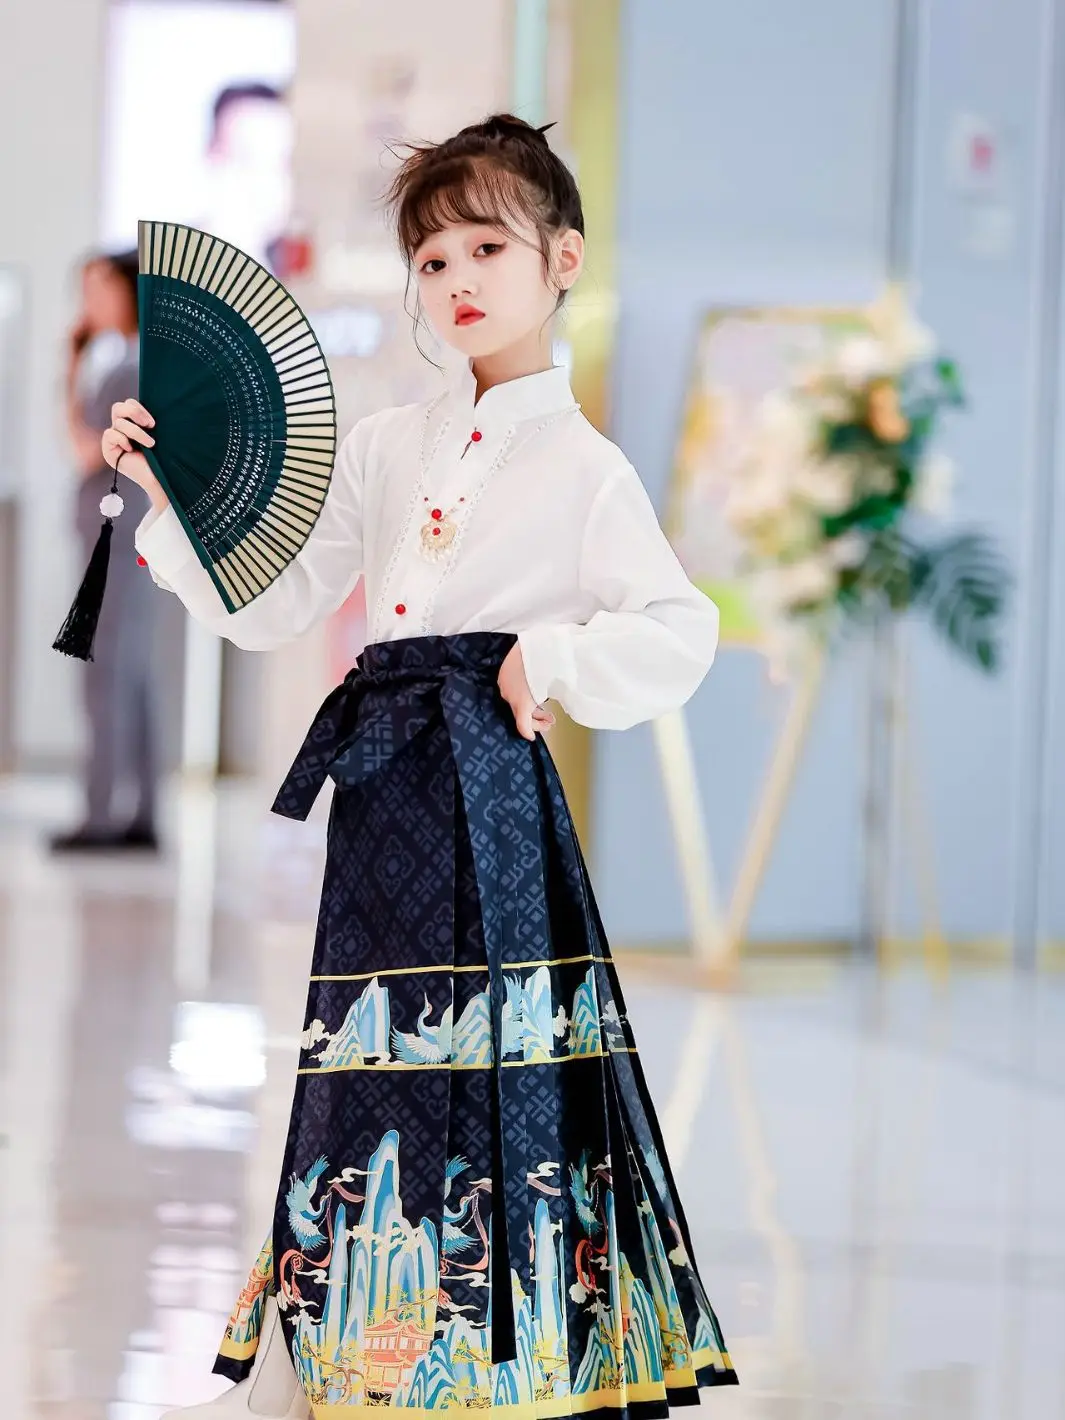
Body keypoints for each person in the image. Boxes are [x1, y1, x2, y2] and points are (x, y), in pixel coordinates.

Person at [102, 114, 737, 1419]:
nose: (455, 282)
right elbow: (283, 601)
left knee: (497, 1063)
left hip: (489, 790)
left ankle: (506, 1356)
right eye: (432, 259)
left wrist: (548, 660)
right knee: (372, 1058)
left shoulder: (585, 465)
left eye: (486, 248)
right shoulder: (389, 444)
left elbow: (682, 631)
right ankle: (368, 1345)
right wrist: (173, 515)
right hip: (386, 785)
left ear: (563, 260)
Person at [52, 251, 159, 853]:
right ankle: (140, 811)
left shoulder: (124, 370)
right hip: (122, 540)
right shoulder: (134, 364)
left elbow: (83, 450)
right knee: (132, 675)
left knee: (106, 672)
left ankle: (102, 815)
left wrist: (68, 367)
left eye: (97, 289)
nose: (86, 304)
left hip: (113, 544)